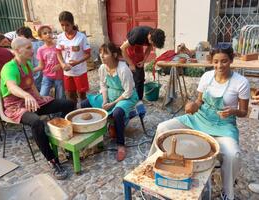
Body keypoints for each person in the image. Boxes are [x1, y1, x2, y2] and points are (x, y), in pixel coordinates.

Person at [148, 45, 249, 200]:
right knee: (163, 127)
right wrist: (193, 105)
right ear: (211, 61)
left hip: (224, 125)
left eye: (224, 61)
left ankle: (227, 192)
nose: (219, 66)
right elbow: (199, 101)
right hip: (199, 119)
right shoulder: (207, 77)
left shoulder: (241, 82)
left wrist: (233, 111)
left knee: (233, 154)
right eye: (216, 62)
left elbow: (243, 112)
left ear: (231, 60)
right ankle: (151, 167)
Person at [0, 37, 76, 179]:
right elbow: (12, 87)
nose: (32, 50)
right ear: (17, 50)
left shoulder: (27, 64)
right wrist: (26, 96)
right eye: (28, 48)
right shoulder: (9, 68)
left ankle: (65, 141)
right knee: (36, 122)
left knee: (68, 104)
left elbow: (30, 84)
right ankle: (53, 161)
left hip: (33, 101)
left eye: (31, 47)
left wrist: (39, 97)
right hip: (15, 105)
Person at [81, 43, 138, 161]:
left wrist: (112, 104)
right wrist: (105, 101)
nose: (102, 56)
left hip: (126, 96)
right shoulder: (102, 68)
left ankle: (121, 145)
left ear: (115, 54)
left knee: (117, 112)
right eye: (101, 53)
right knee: (85, 104)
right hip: (111, 94)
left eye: (105, 53)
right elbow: (103, 85)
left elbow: (128, 91)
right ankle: (92, 137)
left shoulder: (123, 69)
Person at [120, 26, 165, 100]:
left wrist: (144, 61)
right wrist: (131, 64)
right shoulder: (138, 35)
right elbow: (122, 48)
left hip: (138, 48)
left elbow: (149, 47)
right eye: (153, 44)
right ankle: (127, 97)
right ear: (149, 36)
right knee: (129, 76)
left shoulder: (154, 35)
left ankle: (139, 99)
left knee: (140, 78)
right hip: (129, 48)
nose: (153, 46)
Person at [57, 11, 91, 103]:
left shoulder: (81, 37)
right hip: (67, 72)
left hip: (80, 71)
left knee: (82, 95)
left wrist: (77, 62)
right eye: (62, 25)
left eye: (67, 25)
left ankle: (84, 111)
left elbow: (88, 54)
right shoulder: (60, 37)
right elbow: (58, 52)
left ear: (72, 23)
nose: (65, 28)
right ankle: (73, 114)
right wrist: (62, 64)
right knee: (70, 95)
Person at [34, 25, 64, 99]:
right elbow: (41, 66)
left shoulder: (58, 46)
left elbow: (65, 59)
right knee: (43, 95)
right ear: (41, 37)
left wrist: (60, 65)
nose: (48, 34)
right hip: (47, 76)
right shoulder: (40, 50)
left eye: (49, 32)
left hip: (59, 76)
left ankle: (61, 110)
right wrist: (30, 70)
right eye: (45, 33)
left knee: (60, 97)